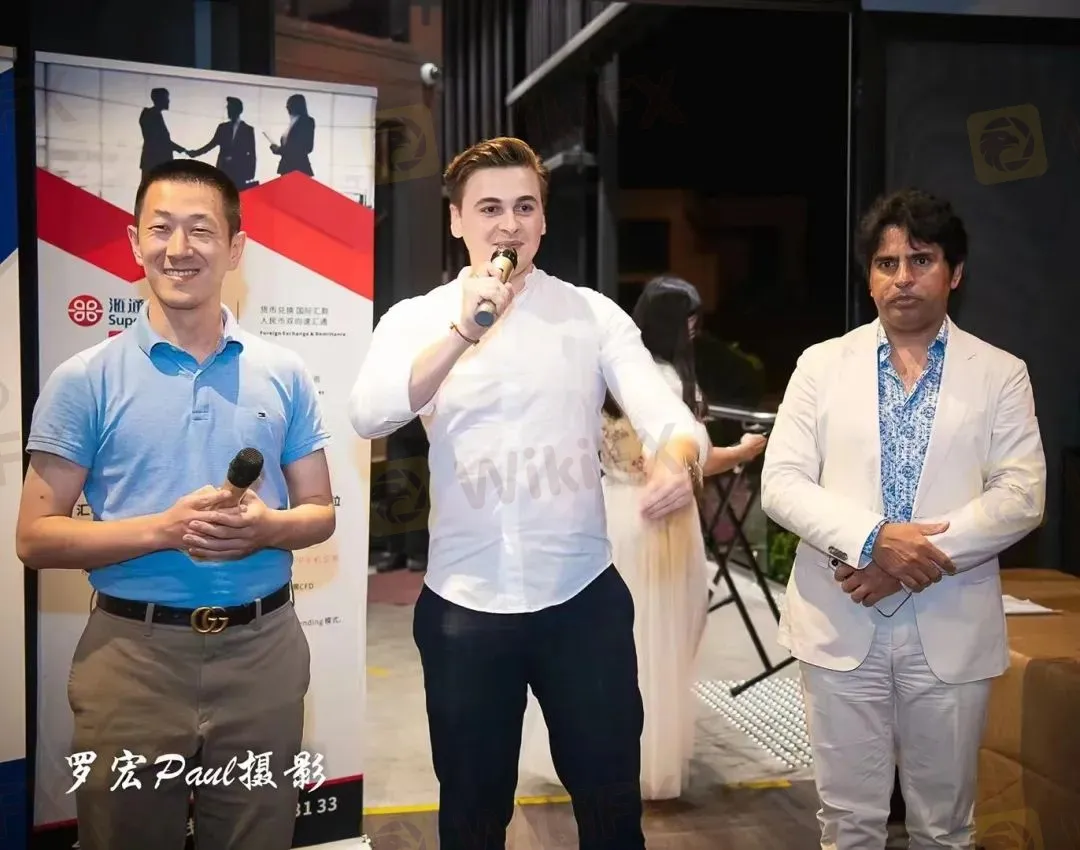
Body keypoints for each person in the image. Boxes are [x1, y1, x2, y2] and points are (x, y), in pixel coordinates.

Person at [348, 137, 708, 850]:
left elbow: (667, 416)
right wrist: (463, 331)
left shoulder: (590, 315)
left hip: (582, 602)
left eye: (524, 207)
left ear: (543, 220)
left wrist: (678, 460)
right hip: (464, 607)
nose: (508, 224)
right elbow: (369, 413)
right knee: (472, 815)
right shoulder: (416, 318)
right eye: (489, 208)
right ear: (457, 221)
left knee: (611, 809)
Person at [17, 159, 335, 850]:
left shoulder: (284, 373)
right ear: (135, 242)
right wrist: (163, 529)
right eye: (161, 229)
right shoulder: (84, 380)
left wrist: (266, 529)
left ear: (235, 248)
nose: (179, 248)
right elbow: (34, 537)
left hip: (263, 655)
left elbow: (320, 510)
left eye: (201, 229)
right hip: (132, 660)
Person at [760, 188, 1045, 850]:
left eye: (921, 260)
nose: (902, 278)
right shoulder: (820, 365)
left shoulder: (1000, 374)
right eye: (886, 263)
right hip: (840, 618)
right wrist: (874, 541)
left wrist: (907, 561)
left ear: (955, 272)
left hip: (949, 623)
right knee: (848, 825)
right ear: (869, 278)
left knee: (945, 829)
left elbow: (1021, 495)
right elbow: (782, 483)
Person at [519, 275, 767, 800]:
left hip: (611, 512)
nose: (696, 329)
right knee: (659, 646)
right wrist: (742, 453)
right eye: (692, 319)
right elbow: (675, 466)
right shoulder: (666, 386)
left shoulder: (611, 376)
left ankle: (589, 755)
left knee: (610, 647)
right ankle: (642, 763)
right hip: (660, 527)